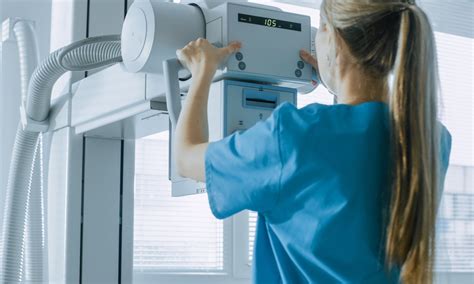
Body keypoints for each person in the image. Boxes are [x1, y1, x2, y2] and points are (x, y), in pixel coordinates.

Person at [173, 0, 451, 283]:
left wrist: (202, 71)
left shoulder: (292, 136)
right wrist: (340, 83)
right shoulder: (432, 141)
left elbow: (185, 158)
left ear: (334, 38)